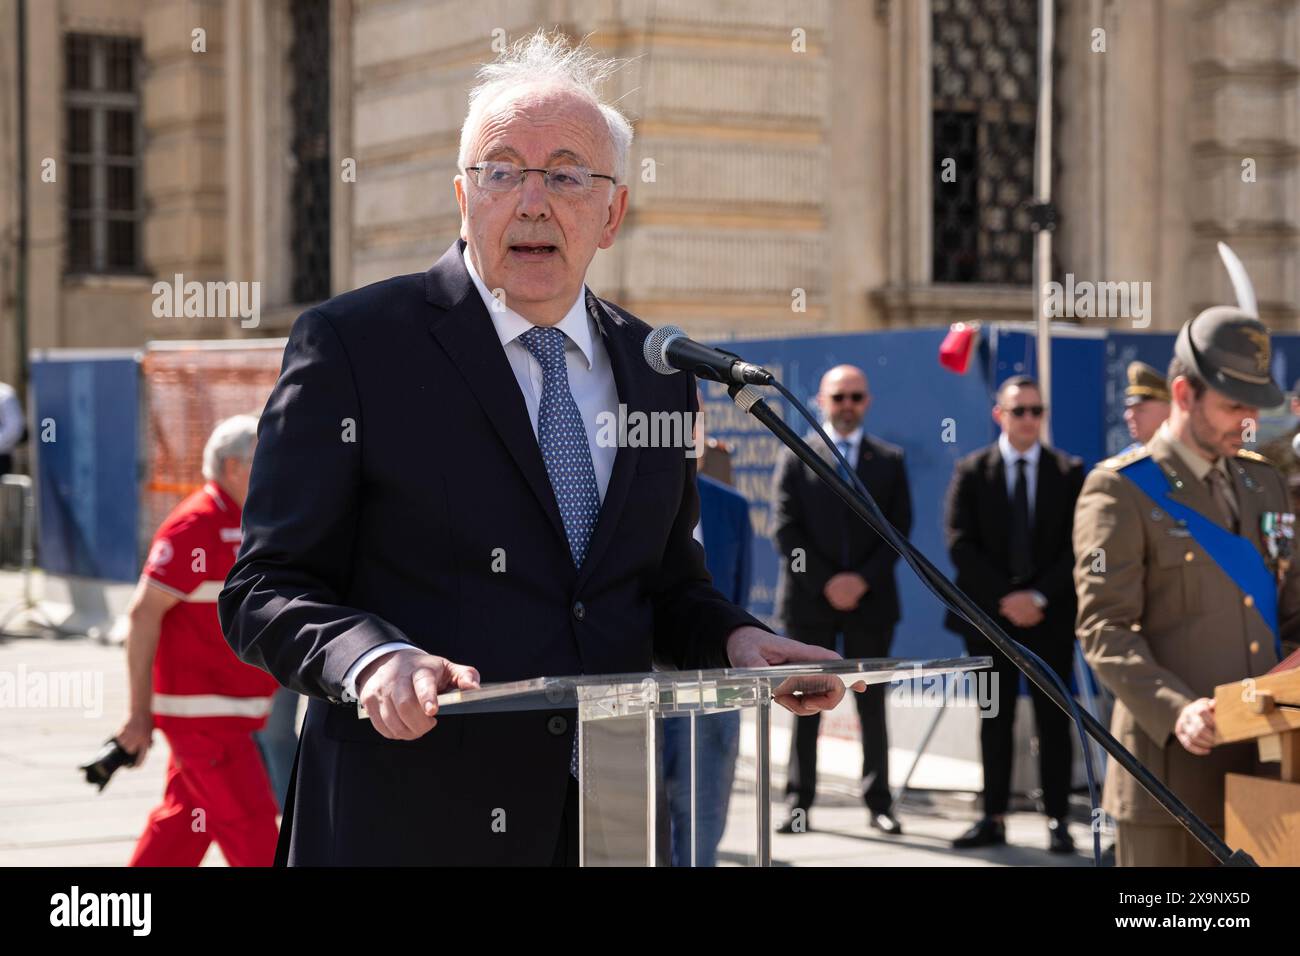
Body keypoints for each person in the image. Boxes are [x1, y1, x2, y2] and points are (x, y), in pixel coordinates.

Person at [219, 32, 851, 867]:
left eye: (565, 174)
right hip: (405, 822)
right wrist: (372, 659)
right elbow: (265, 586)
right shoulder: (355, 347)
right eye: (501, 170)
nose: (531, 199)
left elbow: (661, 588)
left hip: (607, 820)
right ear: (462, 195)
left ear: (613, 212)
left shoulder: (658, 370)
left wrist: (734, 640)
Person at [1074, 309, 1300, 866]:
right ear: (1183, 393)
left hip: (1271, 773)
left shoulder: (1264, 483)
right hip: (1170, 786)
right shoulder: (1121, 490)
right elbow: (1105, 630)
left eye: (1253, 405)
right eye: (1231, 405)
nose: (1247, 420)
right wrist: (1178, 710)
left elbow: (1290, 613)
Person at [119, 414, 280, 867]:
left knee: (184, 825)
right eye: (262, 459)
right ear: (233, 468)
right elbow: (142, 615)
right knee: (253, 829)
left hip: (223, 718)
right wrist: (137, 714)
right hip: (208, 723)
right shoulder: (196, 526)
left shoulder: (241, 523)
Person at [943, 376, 1084, 853]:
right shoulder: (972, 470)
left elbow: (1077, 546)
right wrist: (1006, 598)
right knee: (994, 717)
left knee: (1054, 720)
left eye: (1036, 410)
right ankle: (993, 816)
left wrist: (1037, 598)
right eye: (1018, 410)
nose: (1028, 419)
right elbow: (960, 544)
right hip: (990, 622)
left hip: (1050, 619)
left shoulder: (1069, 472)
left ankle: (1059, 820)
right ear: (998, 414)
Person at [770, 365, 912, 836]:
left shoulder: (888, 461)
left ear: (866, 402)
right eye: (838, 397)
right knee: (807, 702)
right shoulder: (796, 455)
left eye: (855, 397)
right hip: (811, 603)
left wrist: (860, 582)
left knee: (872, 705)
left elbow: (898, 531)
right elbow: (785, 530)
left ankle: (879, 803)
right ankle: (799, 803)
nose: (847, 405)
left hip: (870, 604)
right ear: (822, 402)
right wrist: (828, 582)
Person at [662, 394, 752, 866]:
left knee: (701, 825)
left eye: (690, 411)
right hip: (641, 695)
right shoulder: (625, 502)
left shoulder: (731, 508)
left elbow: (732, 596)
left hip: (712, 699)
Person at [1122, 361, 1171, 446]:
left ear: (1170, 410)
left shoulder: (1192, 454)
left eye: (1140, 409)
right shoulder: (1130, 457)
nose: (1129, 416)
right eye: (1129, 408)